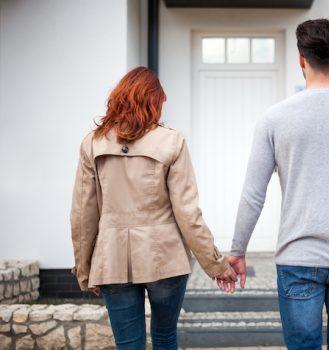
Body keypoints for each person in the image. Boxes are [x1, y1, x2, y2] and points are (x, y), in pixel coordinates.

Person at [225, 19, 329, 349]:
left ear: (301, 59)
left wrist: (237, 250)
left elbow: (253, 194)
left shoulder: (274, 119)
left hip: (297, 260)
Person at [70, 67, 237, 350]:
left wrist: (86, 270)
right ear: (153, 101)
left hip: (111, 259)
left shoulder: (93, 143)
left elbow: (82, 215)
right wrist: (215, 264)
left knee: (128, 344)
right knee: (164, 337)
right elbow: (188, 214)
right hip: (165, 259)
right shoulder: (171, 141)